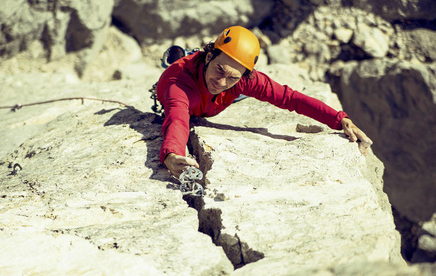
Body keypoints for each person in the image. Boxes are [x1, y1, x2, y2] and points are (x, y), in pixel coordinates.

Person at [156, 26, 372, 178]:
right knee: (193, 98)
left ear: (245, 75)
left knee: (242, 90)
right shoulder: (179, 85)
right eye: (219, 69)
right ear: (210, 55)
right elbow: (177, 119)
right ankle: (182, 57)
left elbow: (290, 98)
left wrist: (339, 118)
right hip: (189, 94)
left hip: (220, 99)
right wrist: (172, 154)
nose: (221, 82)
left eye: (232, 77)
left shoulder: (243, 81)